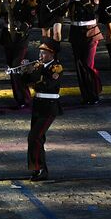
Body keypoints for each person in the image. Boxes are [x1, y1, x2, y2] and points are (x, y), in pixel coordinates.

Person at [0, 0, 36, 107]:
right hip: (7, 38)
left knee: (17, 68)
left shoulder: (29, 2)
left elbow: (31, 21)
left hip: (20, 39)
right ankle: (19, 98)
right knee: (12, 69)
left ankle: (25, 98)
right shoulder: (7, 1)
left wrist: (21, 26)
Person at [24, 39, 64, 180]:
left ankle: (40, 168)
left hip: (49, 106)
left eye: (44, 53)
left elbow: (46, 84)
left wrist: (35, 72)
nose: (40, 55)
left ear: (51, 54)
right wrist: (26, 72)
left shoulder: (56, 68)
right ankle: (38, 169)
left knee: (34, 137)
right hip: (38, 105)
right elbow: (28, 83)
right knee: (37, 138)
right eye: (40, 52)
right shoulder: (39, 67)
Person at [65, 0, 103, 105]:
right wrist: (69, 0)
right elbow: (63, 10)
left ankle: (94, 93)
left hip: (90, 32)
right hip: (76, 31)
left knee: (88, 64)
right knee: (79, 66)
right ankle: (85, 95)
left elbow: (93, 9)